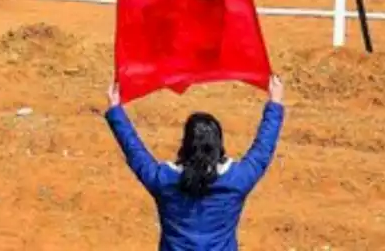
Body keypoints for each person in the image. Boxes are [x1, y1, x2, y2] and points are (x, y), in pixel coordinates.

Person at [104, 75, 285, 250]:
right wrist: (275, 102)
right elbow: (263, 148)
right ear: (218, 144)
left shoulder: (163, 180)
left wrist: (116, 109)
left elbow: (134, 151)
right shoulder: (237, 180)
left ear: (185, 143)